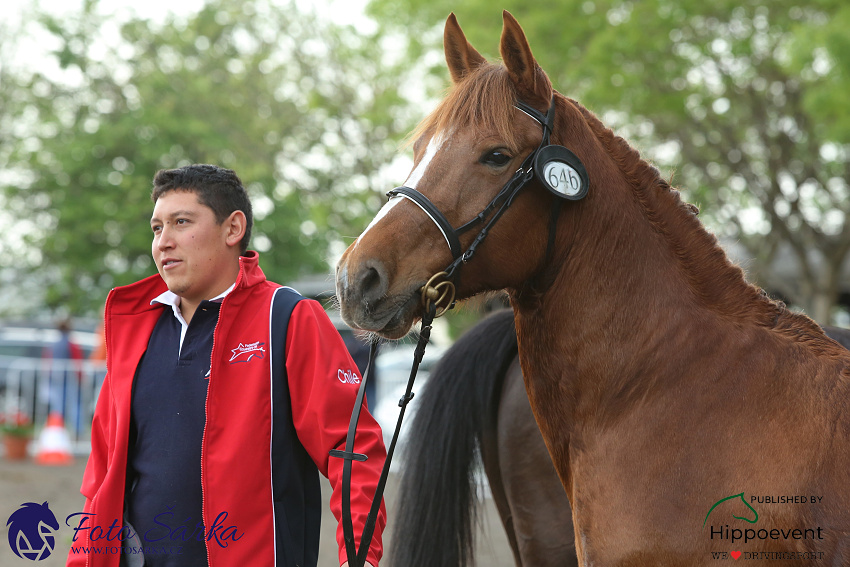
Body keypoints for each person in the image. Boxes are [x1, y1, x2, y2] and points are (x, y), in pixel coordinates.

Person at [67, 164, 386, 567]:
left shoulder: (287, 317)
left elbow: (352, 449)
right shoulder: (134, 329)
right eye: (156, 228)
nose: (164, 242)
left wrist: (361, 558)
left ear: (233, 228)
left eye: (181, 222)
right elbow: (100, 478)